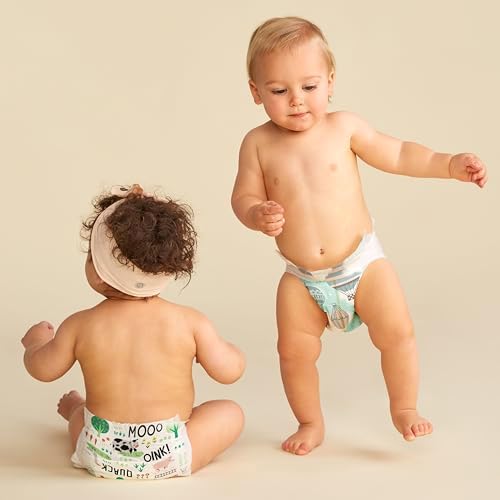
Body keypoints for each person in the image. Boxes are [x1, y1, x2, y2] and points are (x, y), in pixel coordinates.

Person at [231, 16, 487, 456]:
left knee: (398, 334)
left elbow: (400, 154)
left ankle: (404, 408)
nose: (296, 100)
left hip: (362, 265)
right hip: (303, 278)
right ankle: (310, 421)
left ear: (330, 82)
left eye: (309, 86)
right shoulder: (257, 143)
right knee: (293, 352)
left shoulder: (343, 127)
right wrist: (256, 213)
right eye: (279, 91)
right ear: (256, 92)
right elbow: (242, 196)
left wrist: (448, 164)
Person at [22, 184, 245, 479]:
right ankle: (162, 460)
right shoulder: (190, 322)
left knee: (86, 419)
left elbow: (42, 369)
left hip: (100, 451)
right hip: (169, 453)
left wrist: (36, 342)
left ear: (98, 272)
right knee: (230, 412)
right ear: (165, 268)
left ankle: (76, 412)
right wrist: (230, 351)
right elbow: (230, 372)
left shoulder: (80, 325)